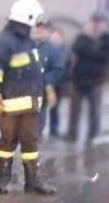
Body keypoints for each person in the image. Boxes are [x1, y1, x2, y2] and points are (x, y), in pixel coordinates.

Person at [0, 0, 55, 195]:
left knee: (31, 142)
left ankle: (32, 181)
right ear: (28, 19)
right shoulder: (5, 43)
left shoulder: (28, 42)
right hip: (10, 105)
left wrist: (46, 90)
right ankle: (4, 180)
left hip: (30, 105)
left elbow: (36, 71)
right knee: (8, 141)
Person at [66, 12, 109, 144]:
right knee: (74, 111)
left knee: (94, 111)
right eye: (94, 22)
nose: (96, 25)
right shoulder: (83, 37)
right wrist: (92, 47)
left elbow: (102, 56)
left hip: (96, 81)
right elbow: (77, 48)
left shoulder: (106, 39)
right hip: (78, 80)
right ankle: (72, 135)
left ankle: (92, 136)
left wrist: (91, 50)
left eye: (99, 22)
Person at [34, 21, 67, 138]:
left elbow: (58, 69)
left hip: (42, 89)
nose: (39, 32)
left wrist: (47, 82)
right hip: (28, 88)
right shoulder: (32, 46)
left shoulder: (53, 50)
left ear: (49, 33)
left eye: (42, 30)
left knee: (39, 116)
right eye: (38, 29)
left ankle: (36, 139)